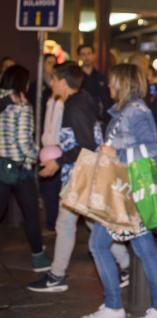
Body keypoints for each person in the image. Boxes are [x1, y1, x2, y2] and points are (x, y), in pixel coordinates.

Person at [27, 62, 130, 293]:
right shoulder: (82, 99)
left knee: (74, 224)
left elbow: (86, 144)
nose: (51, 83)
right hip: (82, 171)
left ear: (63, 82)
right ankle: (125, 265)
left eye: (53, 79)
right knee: (92, 224)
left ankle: (57, 276)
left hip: (81, 173)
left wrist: (58, 161)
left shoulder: (74, 106)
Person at [84, 63, 157, 318]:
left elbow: (151, 150)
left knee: (99, 244)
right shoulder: (128, 111)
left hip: (127, 191)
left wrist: (116, 152)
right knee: (143, 249)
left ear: (122, 83)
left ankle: (115, 306)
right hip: (124, 190)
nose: (108, 86)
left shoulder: (136, 111)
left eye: (112, 82)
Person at [0, 65, 50, 271]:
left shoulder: (2, 100)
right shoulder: (22, 105)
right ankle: (39, 257)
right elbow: (23, 141)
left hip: (0, 163)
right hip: (19, 167)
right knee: (31, 213)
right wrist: (36, 155)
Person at [28, 53, 60, 230]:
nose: (51, 67)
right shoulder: (36, 88)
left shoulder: (57, 92)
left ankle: (53, 221)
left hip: (54, 146)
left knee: (53, 187)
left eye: (54, 64)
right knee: (45, 185)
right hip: (40, 142)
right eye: (48, 63)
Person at [78, 44, 112, 126]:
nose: (86, 57)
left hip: (99, 120)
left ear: (94, 55)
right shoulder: (76, 77)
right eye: (83, 54)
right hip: (81, 119)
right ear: (79, 57)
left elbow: (106, 99)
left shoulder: (101, 77)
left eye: (89, 54)